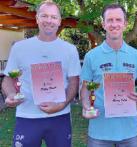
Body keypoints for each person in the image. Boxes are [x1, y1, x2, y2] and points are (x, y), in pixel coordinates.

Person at [2, 1, 81, 147]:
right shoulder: (20, 48)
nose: (49, 20)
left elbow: (74, 82)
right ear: (37, 18)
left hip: (60, 117)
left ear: (59, 21)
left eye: (53, 17)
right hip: (27, 116)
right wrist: (11, 94)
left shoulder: (70, 50)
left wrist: (61, 105)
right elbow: (7, 79)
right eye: (44, 16)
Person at [80, 4, 137, 147]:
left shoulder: (136, 56)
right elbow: (85, 87)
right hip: (99, 130)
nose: (114, 24)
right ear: (103, 24)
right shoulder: (91, 56)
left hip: (129, 130)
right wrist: (86, 106)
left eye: (118, 20)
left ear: (125, 24)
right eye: (110, 20)